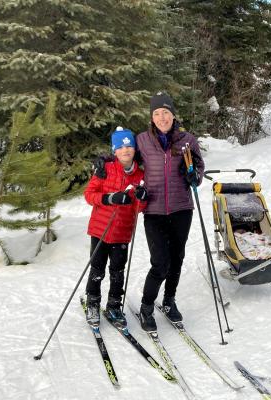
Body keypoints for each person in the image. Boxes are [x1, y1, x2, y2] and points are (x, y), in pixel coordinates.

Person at [94, 92, 205, 331]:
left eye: (165, 112)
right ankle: (146, 307)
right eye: (157, 113)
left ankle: (169, 301)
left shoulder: (187, 140)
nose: (162, 117)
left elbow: (198, 167)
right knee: (160, 263)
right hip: (153, 210)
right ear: (152, 117)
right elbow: (124, 154)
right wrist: (104, 159)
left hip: (181, 209)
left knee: (177, 258)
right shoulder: (142, 140)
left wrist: (194, 176)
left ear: (173, 114)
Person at [83, 127, 148, 326]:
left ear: (134, 149)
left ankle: (113, 305)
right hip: (100, 230)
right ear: (115, 150)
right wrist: (110, 198)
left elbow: (139, 208)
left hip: (122, 231)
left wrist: (142, 198)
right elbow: (89, 195)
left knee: (118, 271)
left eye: (129, 146)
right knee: (97, 269)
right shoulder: (105, 169)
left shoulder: (140, 175)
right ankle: (93, 302)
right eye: (121, 147)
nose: (125, 150)